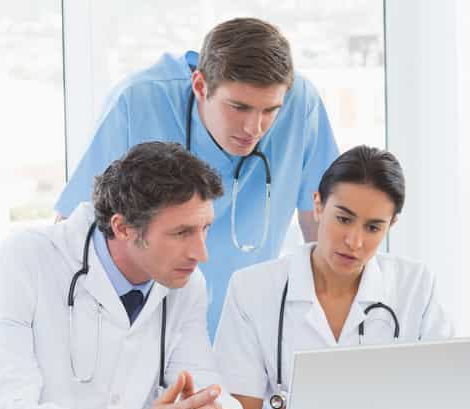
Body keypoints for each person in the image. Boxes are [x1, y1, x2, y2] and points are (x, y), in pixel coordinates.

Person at [55, 17, 339, 338]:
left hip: (247, 327)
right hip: (145, 327)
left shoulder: (300, 102)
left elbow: (323, 222)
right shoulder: (137, 102)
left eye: (270, 110)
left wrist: (330, 325)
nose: (254, 128)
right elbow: (74, 231)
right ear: (200, 86)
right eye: (239, 107)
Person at [0, 142, 242, 409]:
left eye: (205, 228)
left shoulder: (185, 284)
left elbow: (202, 382)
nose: (202, 254)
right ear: (123, 227)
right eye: (181, 233)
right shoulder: (26, 260)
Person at [213, 145, 454, 409]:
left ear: (391, 225)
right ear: (318, 205)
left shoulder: (416, 285)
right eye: (343, 218)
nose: (354, 241)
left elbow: (445, 402)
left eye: (374, 227)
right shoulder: (252, 289)